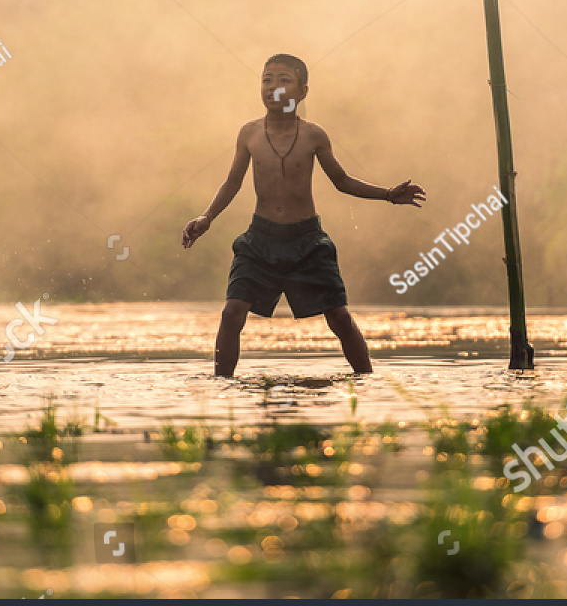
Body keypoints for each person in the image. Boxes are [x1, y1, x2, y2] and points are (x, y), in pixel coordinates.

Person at [181, 54, 425, 377]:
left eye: (284, 79)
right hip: (260, 240)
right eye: (267, 79)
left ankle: (367, 383)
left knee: (338, 317)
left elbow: (342, 180)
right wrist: (207, 217)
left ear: (302, 92)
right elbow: (232, 182)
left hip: (307, 241)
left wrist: (388, 194)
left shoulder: (313, 135)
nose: (273, 87)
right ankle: (221, 385)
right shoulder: (249, 133)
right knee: (231, 313)